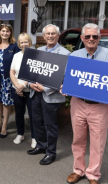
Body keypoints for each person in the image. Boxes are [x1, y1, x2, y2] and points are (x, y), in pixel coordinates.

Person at [64, 23, 108, 184]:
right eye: (87, 36)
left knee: (98, 142)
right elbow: (69, 79)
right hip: (78, 104)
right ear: (82, 38)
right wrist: (65, 86)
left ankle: (93, 174)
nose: (91, 39)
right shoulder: (74, 56)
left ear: (99, 38)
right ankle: (78, 170)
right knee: (78, 139)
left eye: (94, 36)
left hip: (100, 106)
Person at [27, 24, 70, 165]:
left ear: (58, 36)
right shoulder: (38, 51)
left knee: (50, 125)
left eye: (53, 34)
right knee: (37, 122)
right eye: (48, 34)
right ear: (43, 36)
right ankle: (40, 145)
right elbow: (31, 71)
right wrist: (30, 84)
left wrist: (45, 88)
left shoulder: (65, 54)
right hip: (35, 93)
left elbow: (64, 78)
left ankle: (50, 153)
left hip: (51, 95)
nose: (50, 36)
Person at [0, 23, 20, 138]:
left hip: (8, 79)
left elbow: (17, 62)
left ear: (10, 33)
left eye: (7, 31)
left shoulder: (14, 47)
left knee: (6, 102)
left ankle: (5, 125)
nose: (5, 33)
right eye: (3, 31)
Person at [10, 33, 36, 148]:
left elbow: (34, 73)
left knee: (32, 114)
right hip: (17, 90)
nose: (24, 44)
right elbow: (12, 72)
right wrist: (16, 85)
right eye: (21, 42)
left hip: (30, 90)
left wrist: (23, 85)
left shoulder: (35, 55)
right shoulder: (16, 55)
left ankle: (34, 137)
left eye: (26, 41)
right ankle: (20, 134)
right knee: (19, 113)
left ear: (29, 42)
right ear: (19, 44)